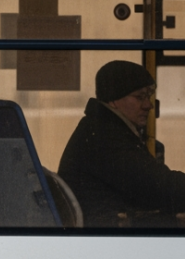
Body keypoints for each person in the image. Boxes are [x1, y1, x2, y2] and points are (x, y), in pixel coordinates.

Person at [58, 60, 185, 227]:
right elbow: (158, 188)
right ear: (113, 100)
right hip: (107, 238)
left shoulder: (103, 128)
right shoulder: (105, 137)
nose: (148, 105)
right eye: (140, 97)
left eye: (148, 96)